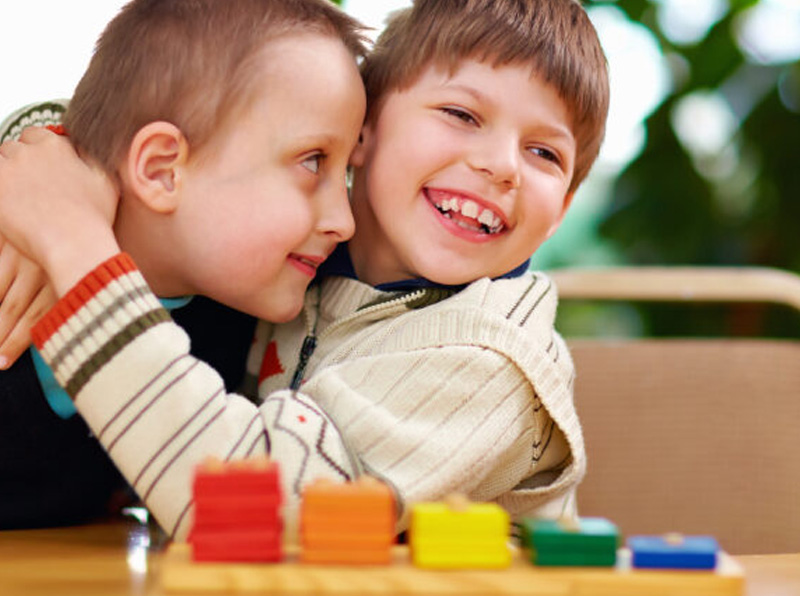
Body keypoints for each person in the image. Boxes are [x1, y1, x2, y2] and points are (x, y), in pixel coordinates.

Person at [0, 0, 609, 540]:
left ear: (561, 210)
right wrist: (54, 158)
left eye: (544, 153)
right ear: (365, 127)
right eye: (462, 114)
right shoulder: (289, 263)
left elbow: (244, 508)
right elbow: (172, 108)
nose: (502, 165)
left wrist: (69, 235)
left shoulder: (492, 363)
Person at [0, 0, 367, 531]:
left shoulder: (238, 320)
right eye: (313, 161)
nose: (344, 220)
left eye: (347, 172)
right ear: (162, 170)